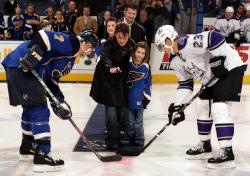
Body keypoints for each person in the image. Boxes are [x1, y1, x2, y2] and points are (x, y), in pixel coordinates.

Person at [1, 29, 99, 172]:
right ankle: (42, 154)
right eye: (91, 47)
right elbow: (43, 35)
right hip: (22, 64)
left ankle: (28, 147)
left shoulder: (71, 58)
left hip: (17, 66)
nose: (90, 51)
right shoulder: (73, 43)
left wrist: (58, 102)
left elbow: (51, 80)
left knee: (30, 108)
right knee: (39, 109)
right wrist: (34, 54)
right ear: (86, 43)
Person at [154, 25, 246, 168]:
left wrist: (218, 58)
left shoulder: (189, 41)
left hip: (230, 68)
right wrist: (178, 107)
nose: (162, 50)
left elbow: (214, 37)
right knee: (202, 105)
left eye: (162, 46)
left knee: (219, 108)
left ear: (169, 40)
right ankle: (205, 145)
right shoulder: (174, 61)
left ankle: (227, 153)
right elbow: (185, 84)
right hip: (211, 77)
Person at [90, 22, 135, 151]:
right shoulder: (109, 44)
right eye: (119, 37)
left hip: (122, 80)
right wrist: (110, 67)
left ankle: (122, 136)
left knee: (123, 110)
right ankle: (112, 140)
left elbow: (135, 60)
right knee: (111, 111)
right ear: (115, 34)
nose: (122, 40)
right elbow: (105, 58)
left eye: (125, 38)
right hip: (107, 80)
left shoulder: (131, 44)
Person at [118, 41, 151, 155]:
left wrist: (147, 96)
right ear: (134, 51)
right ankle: (130, 138)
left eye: (142, 53)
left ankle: (139, 140)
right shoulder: (128, 64)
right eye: (138, 52)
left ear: (145, 55)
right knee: (130, 120)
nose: (139, 55)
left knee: (139, 120)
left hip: (140, 98)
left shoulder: (146, 67)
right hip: (128, 97)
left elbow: (148, 82)